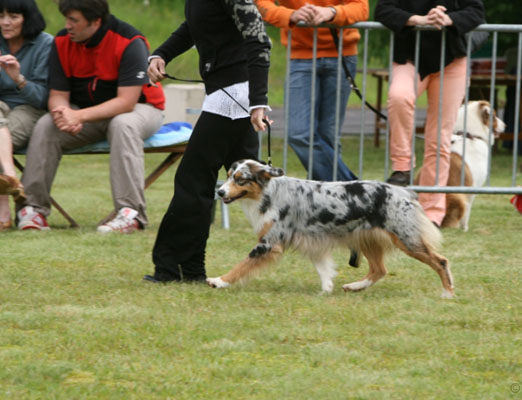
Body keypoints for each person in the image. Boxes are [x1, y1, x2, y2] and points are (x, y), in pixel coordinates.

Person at [142, 0, 271, 283]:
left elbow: (258, 39)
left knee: (193, 180)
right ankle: (339, 227)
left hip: (233, 98)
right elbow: (195, 24)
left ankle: (178, 268)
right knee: (263, 185)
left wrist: (258, 101)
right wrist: (162, 54)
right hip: (228, 94)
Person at [15, 0, 165, 232]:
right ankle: (33, 210)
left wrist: (79, 116)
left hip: (141, 109)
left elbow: (126, 102)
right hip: (89, 114)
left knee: (123, 124)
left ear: (95, 22)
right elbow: (58, 95)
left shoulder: (130, 41)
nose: (67, 26)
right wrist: (63, 113)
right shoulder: (62, 41)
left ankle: (130, 214)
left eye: (74, 20)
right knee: (47, 125)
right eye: (66, 19)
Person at [374, 0, 485, 226]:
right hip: (408, 55)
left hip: (452, 58)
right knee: (399, 97)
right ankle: (402, 167)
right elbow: (383, 10)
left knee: (440, 137)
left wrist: (448, 19)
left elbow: (476, 11)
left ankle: (432, 214)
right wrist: (418, 20)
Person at [255, 0, 368, 181]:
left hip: (342, 53)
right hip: (300, 55)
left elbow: (361, 8)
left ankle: (332, 197)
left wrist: (332, 12)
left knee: (329, 137)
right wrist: (289, 15)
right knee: (298, 133)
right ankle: (353, 188)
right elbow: (260, 3)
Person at [0, 0, 52, 231]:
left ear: (27, 18)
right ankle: (10, 176)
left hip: (29, 108)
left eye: (13, 16)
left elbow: (42, 98)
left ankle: (2, 212)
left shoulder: (45, 44)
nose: (5, 22)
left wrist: (18, 78)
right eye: (0, 16)